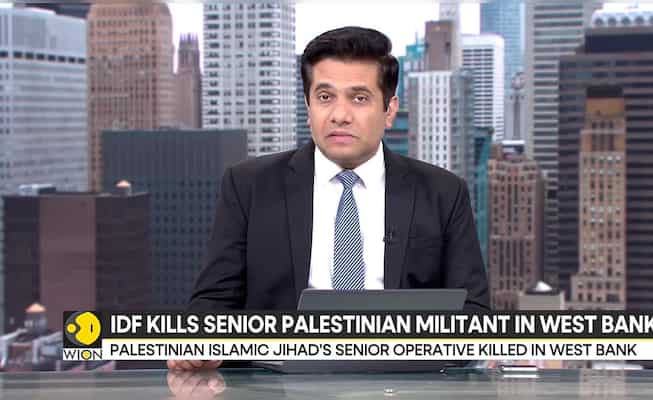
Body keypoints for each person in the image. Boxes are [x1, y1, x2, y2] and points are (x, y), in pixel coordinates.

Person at [168, 26, 489, 371]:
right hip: (275, 387)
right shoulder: (249, 186)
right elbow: (214, 300)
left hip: (403, 384)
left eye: (359, 98)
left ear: (389, 109)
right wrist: (202, 340)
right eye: (325, 97)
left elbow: (473, 314)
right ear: (308, 106)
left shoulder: (442, 192)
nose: (339, 115)